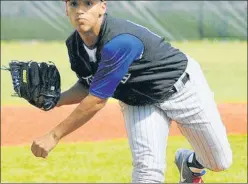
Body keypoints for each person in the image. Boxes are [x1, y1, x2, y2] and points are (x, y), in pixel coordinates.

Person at [31, 0, 232, 183]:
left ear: (102, 7)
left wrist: (54, 135)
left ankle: (189, 163)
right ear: (65, 9)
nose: (80, 11)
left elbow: (97, 100)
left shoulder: (119, 41)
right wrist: (56, 100)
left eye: (88, 3)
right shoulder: (74, 45)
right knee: (147, 171)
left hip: (181, 88)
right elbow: (88, 83)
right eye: (74, 3)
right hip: (137, 99)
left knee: (219, 162)